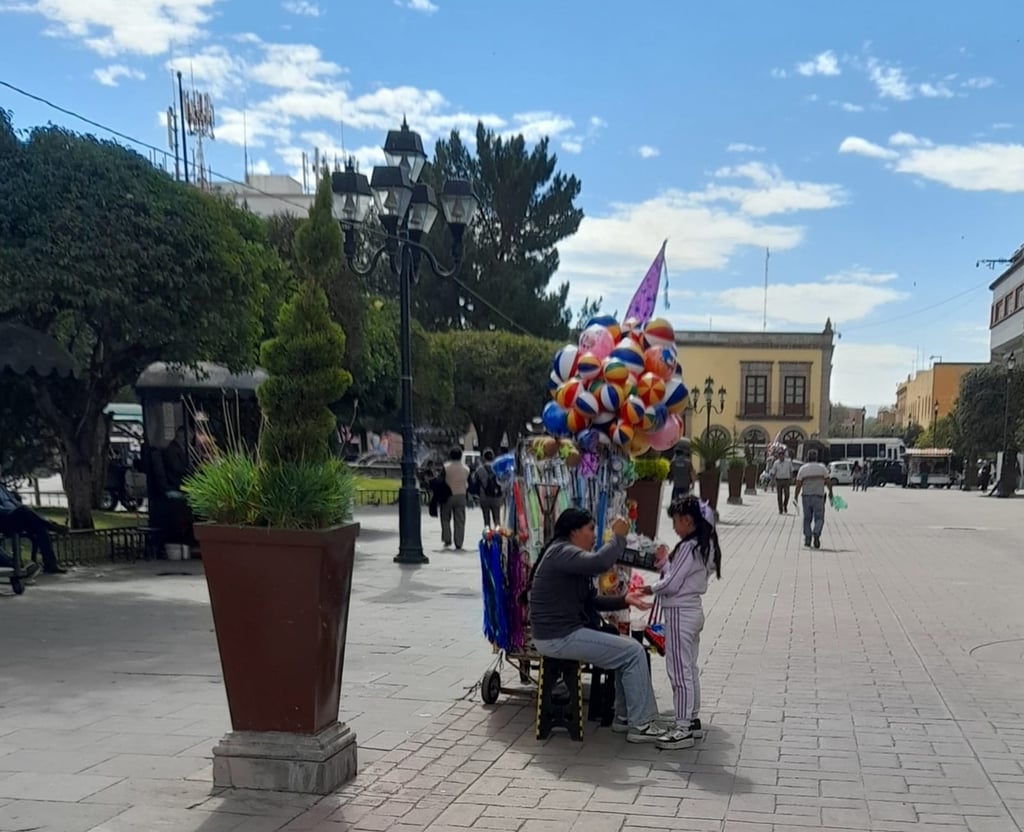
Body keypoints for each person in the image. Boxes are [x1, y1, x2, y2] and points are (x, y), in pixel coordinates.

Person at [528, 508, 663, 743]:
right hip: (558, 637)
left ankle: (625, 718)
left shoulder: (567, 555)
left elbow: (591, 600)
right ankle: (641, 724)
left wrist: (624, 599)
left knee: (627, 651)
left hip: (562, 634)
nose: (594, 536)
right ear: (574, 531)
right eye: (590, 529)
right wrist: (618, 537)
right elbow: (600, 562)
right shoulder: (562, 552)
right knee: (634, 652)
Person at [644, 496, 722, 750]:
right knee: (689, 667)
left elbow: (672, 583)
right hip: (693, 610)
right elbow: (680, 574)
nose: (675, 527)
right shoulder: (705, 544)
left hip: (679, 612)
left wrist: (649, 588)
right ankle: (691, 718)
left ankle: (683, 726)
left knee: (679, 671)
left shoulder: (689, 547)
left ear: (688, 521)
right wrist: (666, 562)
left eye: (676, 521)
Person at [0, 481, 67, 574]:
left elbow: (16, 502)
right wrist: (14, 511)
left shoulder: (2, 488)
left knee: (40, 527)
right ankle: (50, 525)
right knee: (23, 510)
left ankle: (50, 565)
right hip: (4, 520)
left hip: (16, 517)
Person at [794, 450, 833, 549]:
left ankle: (807, 539)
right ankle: (816, 532)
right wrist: (831, 493)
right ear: (816, 457)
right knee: (819, 518)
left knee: (807, 519)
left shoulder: (803, 469)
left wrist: (795, 496)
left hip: (806, 496)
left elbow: (798, 484)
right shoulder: (822, 468)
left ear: (807, 457)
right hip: (819, 496)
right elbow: (828, 481)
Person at [441, 448, 469, 550]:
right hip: (461, 495)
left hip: (447, 495)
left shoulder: (446, 467)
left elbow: (441, 479)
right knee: (460, 520)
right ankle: (459, 542)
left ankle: (447, 539)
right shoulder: (466, 468)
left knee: (445, 518)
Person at [471, 449, 504, 528]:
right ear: (493, 457)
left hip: (484, 497)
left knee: (486, 520)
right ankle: (497, 536)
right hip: (496, 497)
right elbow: (503, 481)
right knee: (497, 519)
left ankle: (487, 535)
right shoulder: (498, 468)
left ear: (483, 458)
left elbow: (474, 481)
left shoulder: (479, 469)